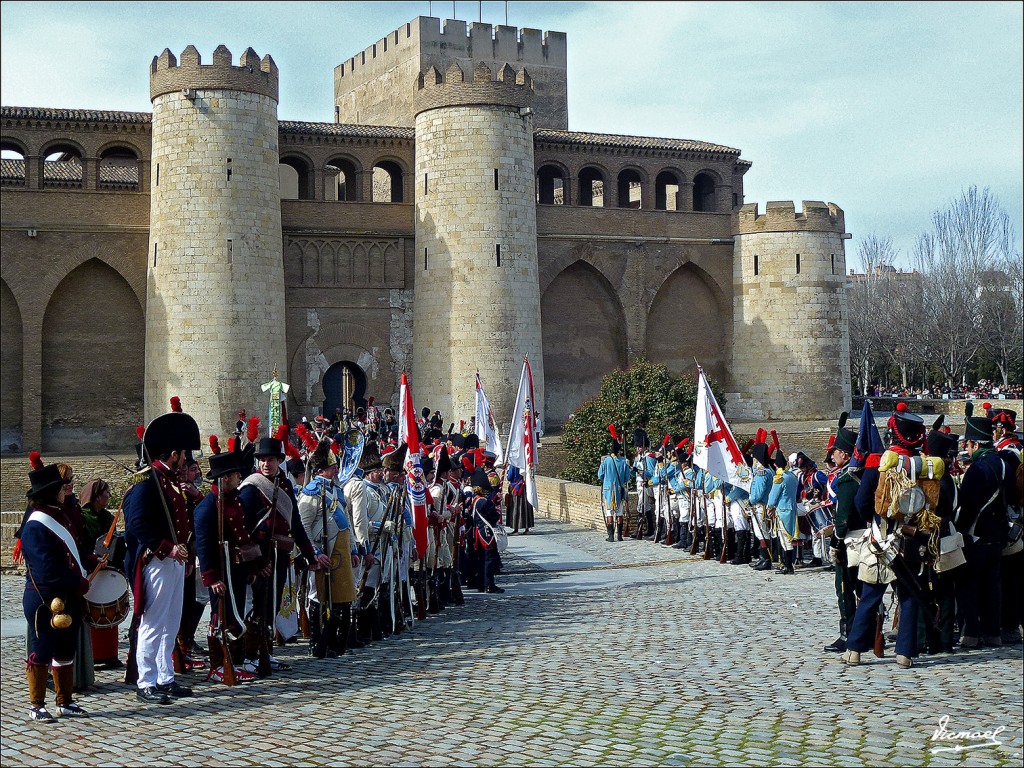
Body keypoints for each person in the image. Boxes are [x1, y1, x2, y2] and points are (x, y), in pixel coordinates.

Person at [122, 405, 201, 705]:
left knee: (171, 621)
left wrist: (184, 551)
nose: (186, 460)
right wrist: (168, 547)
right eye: (183, 454)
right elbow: (138, 523)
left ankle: (166, 676)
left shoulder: (168, 481)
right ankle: (146, 681)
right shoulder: (148, 482)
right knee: (154, 621)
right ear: (173, 454)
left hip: (175, 561)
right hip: (157, 560)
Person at [239, 437, 329, 675]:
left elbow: (296, 524)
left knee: (272, 607)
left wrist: (310, 555)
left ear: (279, 461)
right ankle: (250, 657)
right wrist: (257, 562)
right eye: (263, 460)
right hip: (260, 558)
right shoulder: (251, 488)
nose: (266, 464)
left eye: (271, 459)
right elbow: (243, 527)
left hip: (280, 554)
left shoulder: (285, 486)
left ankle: (267, 654)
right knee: (256, 609)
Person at [21, 462, 92, 721]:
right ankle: (36, 705)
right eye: (61, 488)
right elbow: (47, 569)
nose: (66, 491)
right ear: (52, 492)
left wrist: (89, 560)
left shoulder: (60, 516)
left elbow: (70, 555)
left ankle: (65, 701)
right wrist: (78, 583)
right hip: (45, 597)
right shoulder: (35, 525)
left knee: (65, 649)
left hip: (67, 594)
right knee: (42, 650)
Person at [193, 449, 261, 684]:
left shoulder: (236, 501)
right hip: (222, 573)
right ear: (225, 478)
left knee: (236, 616)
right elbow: (203, 546)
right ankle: (218, 666)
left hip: (238, 570)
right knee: (220, 619)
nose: (238, 478)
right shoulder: (207, 508)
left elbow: (243, 536)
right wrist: (211, 578)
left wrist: (251, 568)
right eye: (234, 475)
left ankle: (234, 662)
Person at [955, 408, 1018, 648]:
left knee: (970, 585)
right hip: (998, 533)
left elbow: (968, 505)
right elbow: (1011, 496)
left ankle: (971, 633)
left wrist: (960, 531)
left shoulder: (978, 469)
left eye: (968, 445)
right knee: (993, 586)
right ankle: (993, 633)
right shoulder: (1003, 464)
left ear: (973, 443)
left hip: (977, 534)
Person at [297, 439, 358, 658]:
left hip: (340, 549)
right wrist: (314, 552)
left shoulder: (337, 491)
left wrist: (353, 550)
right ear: (322, 470)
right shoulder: (311, 493)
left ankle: (336, 643)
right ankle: (317, 643)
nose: (336, 470)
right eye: (332, 467)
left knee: (342, 597)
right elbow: (303, 526)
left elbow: (348, 521)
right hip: (323, 551)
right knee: (318, 596)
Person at [823, 416, 860, 652]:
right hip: (861, 540)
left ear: (845, 455)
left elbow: (843, 518)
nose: (832, 456)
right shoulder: (856, 474)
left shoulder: (847, 480)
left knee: (845, 588)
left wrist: (835, 541)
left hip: (850, 543)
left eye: (835, 452)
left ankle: (849, 634)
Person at [344, 444, 387, 644]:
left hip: (364, 543)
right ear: (368, 473)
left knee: (366, 588)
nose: (381, 474)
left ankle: (368, 629)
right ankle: (358, 631)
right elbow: (359, 521)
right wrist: (364, 548)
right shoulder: (360, 487)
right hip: (364, 544)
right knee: (361, 588)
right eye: (377, 471)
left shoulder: (376, 489)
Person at [78, 478, 122, 669]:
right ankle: (94, 654)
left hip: (107, 568)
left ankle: (109, 654)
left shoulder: (106, 517)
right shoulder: (82, 517)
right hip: (90, 570)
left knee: (110, 609)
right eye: (106, 493)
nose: (108, 496)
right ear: (96, 497)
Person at [470, 468, 504, 593]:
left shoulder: (476, 500)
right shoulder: (485, 502)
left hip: (478, 531)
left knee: (481, 559)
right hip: (487, 532)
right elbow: (494, 517)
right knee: (489, 559)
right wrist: (495, 506)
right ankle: (489, 585)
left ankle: (480, 583)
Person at [597, 426, 632, 542]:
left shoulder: (606, 461)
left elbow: (600, 475)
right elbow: (627, 477)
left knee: (609, 513)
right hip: (619, 489)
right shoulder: (623, 461)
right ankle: (619, 536)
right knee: (619, 513)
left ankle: (611, 536)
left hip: (608, 490)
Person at [766, 453, 798, 574]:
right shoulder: (792, 476)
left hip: (782, 510)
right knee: (788, 537)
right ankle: (787, 564)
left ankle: (788, 565)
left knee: (785, 539)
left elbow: (773, 497)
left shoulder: (779, 477)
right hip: (792, 508)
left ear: (775, 465)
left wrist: (769, 507)